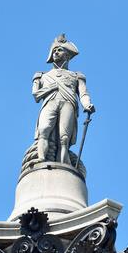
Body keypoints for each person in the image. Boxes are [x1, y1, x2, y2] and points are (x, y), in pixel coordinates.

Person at [32, 34, 95, 164]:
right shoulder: (42, 76)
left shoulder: (76, 76)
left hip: (68, 103)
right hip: (50, 102)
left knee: (64, 137)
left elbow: (83, 94)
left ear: (67, 55)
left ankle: (63, 162)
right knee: (44, 130)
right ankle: (41, 159)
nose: (56, 52)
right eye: (54, 50)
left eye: (59, 50)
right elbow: (36, 95)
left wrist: (87, 105)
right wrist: (50, 88)